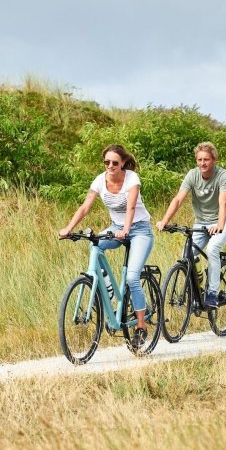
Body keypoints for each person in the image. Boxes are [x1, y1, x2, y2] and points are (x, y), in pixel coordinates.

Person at [59, 144, 154, 347]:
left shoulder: (132, 179)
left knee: (132, 278)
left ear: (123, 163)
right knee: (95, 245)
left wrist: (126, 230)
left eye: (114, 163)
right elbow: (85, 207)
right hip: (116, 227)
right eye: (107, 162)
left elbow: (131, 207)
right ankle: (109, 289)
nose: (110, 166)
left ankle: (141, 326)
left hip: (139, 230)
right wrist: (68, 228)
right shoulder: (100, 180)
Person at [156, 141, 226, 310]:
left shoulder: (222, 175)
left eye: (206, 159)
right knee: (186, 256)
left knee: (212, 249)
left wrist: (220, 225)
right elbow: (178, 199)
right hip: (201, 223)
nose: (202, 163)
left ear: (214, 160)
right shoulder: (192, 175)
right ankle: (198, 289)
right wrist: (164, 220)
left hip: (224, 221)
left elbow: (223, 201)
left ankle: (212, 293)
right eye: (199, 160)